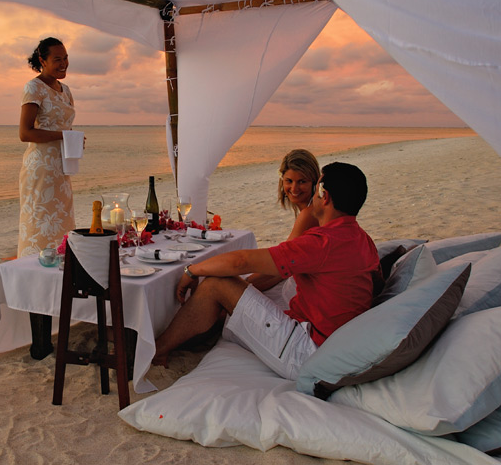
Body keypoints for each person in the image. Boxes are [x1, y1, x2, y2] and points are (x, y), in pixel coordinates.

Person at [153, 162, 380, 380]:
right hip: (331, 345)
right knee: (229, 286)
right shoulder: (361, 239)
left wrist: (192, 271)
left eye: (318, 190)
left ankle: (159, 349)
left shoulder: (325, 243)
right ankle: (182, 337)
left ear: (326, 197)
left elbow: (242, 261)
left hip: (307, 353)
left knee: (215, 284)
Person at [17, 37, 77, 258]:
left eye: (66, 58)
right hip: (40, 169)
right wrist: (64, 136)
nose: (64, 63)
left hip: (62, 168)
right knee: (39, 224)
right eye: (57, 59)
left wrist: (73, 140)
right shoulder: (34, 87)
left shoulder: (66, 90)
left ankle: (61, 275)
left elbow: (63, 127)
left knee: (62, 224)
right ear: (42, 60)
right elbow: (25, 133)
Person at [247, 149, 321, 292]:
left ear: (314, 182)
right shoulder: (312, 209)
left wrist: (245, 283)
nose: (294, 188)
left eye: (302, 182)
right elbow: (286, 264)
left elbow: (281, 262)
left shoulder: (309, 214)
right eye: (289, 181)